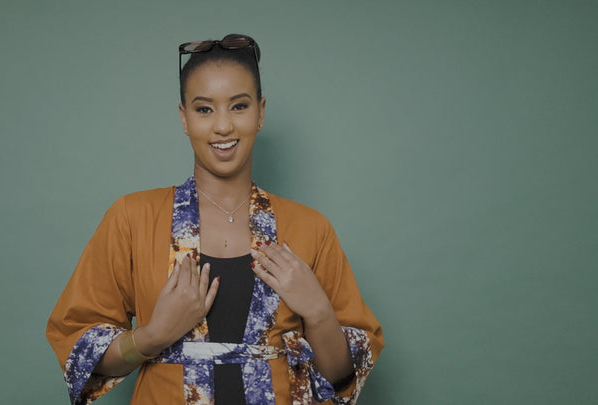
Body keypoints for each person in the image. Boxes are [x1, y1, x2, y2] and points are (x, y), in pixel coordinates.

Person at [46, 33, 384, 405]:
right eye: (204, 109)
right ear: (184, 118)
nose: (223, 126)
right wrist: (154, 336)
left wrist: (318, 312)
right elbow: (79, 349)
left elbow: (341, 378)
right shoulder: (132, 218)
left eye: (239, 106)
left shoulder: (311, 228)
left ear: (260, 113)